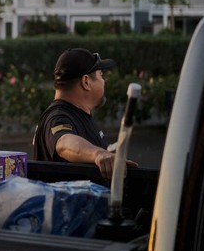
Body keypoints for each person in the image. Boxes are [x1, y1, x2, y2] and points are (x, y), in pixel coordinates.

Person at [33, 48, 138, 180]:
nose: (104, 81)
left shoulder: (77, 115)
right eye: (101, 76)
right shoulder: (57, 117)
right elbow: (63, 143)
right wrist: (98, 154)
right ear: (86, 82)